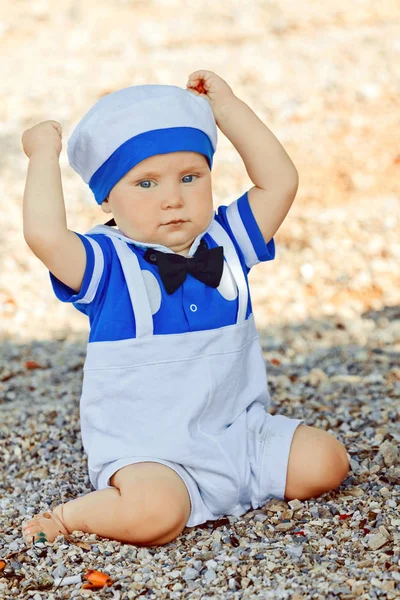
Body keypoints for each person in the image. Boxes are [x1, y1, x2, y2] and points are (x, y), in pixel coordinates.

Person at [21, 70, 349, 547]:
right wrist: (42, 157)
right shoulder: (108, 263)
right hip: (153, 456)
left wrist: (228, 109)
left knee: (326, 461)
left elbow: (279, 181)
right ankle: (71, 517)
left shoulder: (227, 238)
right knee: (156, 515)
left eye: (191, 177)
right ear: (107, 197)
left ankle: (238, 484)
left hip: (240, 436)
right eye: (146, 183)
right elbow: (46, 236)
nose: (173, 198)